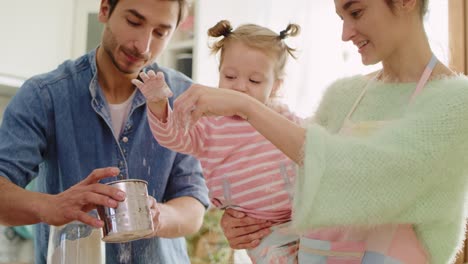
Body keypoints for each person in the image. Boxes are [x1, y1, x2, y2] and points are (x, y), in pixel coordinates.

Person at [171, 0, 468, 263]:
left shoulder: (456, 103)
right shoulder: (345, 95)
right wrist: (243, 218)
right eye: (341, 18)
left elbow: (355, 174)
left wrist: (246, 106)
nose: (346, 33)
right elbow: (295, 182)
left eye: (356, 11)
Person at [0, 0, 209, 263]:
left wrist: (158, 217)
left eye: (160, 33)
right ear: (104, 9)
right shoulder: (45, 96)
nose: (143, 46)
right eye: (134, 22)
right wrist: (52, 206)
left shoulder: (181, 98)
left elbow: (193, 206)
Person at [133, 20, 303, 263]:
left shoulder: (282, 117)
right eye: (230, 76)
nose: (240, 87)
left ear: (275, 86)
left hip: (301, 219)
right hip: (260, 231)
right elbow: (173, 137)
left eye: (255, 81)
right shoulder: (209, 122)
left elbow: (314, 146)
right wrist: (158, 104)